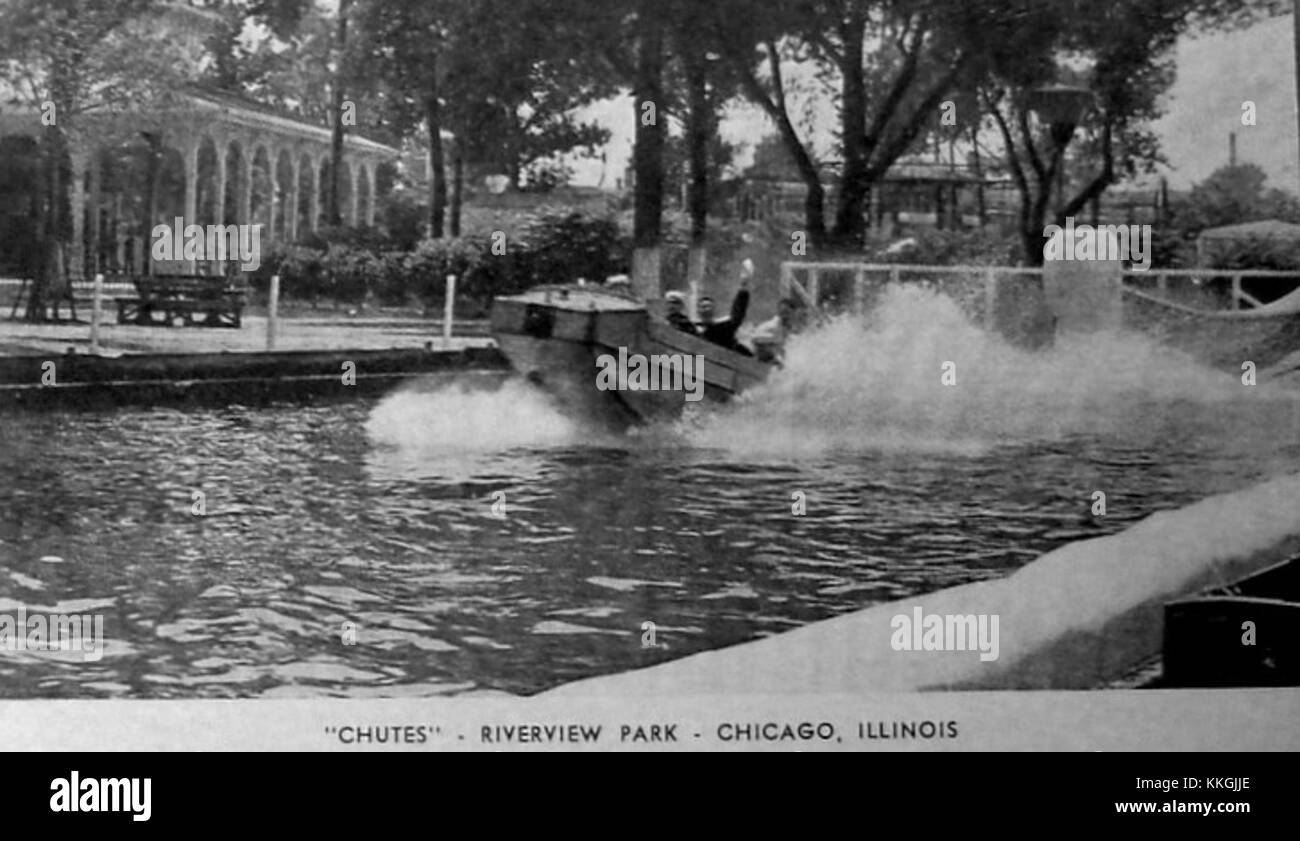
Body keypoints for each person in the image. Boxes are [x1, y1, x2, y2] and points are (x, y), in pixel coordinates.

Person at [696, 260, 753, 354]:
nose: (706, 309)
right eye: (703, 307)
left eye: (708, 306)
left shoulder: (722, 328)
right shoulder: (696, 330)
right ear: (698, 311)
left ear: (714, 309)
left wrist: (743, 288)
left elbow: (737, 316)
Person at [750, 297, 803, 364]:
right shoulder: (775, 328)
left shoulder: (782, 329)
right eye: (795, 316)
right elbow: (754, 338)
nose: (798, 320)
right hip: (761, 361)